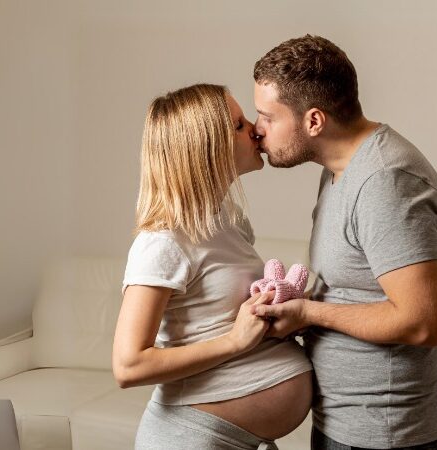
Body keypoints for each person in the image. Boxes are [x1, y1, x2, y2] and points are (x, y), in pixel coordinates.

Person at [251, 35, 437, 450]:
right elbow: (356, 288)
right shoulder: (340, 169)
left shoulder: (385, 182)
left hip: (384, 436)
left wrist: (310, 311)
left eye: (267, 117)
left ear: (313, 121)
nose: (258, 131)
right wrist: (298, 308)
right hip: (346, 425)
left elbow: (425, 322)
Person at [112, 84, 313, 450]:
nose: (255, 128)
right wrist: (235, 340)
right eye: (238, 125)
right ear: (207, 148)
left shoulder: (228, 221)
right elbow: (128, 366)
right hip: (188, 438)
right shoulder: (163, 242)